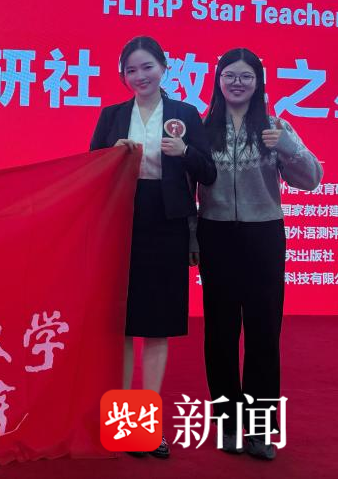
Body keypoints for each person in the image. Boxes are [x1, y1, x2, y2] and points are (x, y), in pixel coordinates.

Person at [90, 35, 216, 459]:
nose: (140, 76)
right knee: (124, 324)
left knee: (158, 324)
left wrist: (184, 151)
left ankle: (149, 424)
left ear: (164, 67)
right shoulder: (112, 116)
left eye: (147, 67)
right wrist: (112, 155)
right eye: (131, 70)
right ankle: (125, 424)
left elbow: (208, 172)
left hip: (167, 222)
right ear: (123, 75)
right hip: (122, 221)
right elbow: (90, 169)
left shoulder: (185, 113)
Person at [197, 48, 321, 461]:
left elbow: (312, 179)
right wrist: (192, 236)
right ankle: (229, 424)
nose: (237, 83)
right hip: (215, 234)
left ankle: (261, 429)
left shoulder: (275, 126)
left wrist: (287, 147)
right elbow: (187, 184)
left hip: (264, 235)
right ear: (218, 80)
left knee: (264, 332)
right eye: (229, 75)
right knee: (220, 333)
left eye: (245, 76)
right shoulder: (202, 129)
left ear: (258, 82)